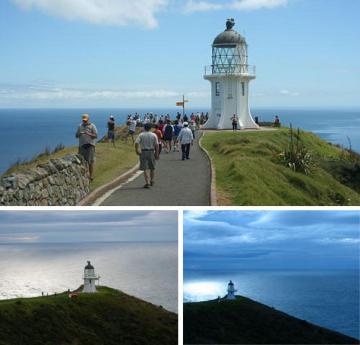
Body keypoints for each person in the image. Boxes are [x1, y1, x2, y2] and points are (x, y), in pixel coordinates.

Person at [135, 123, 159, 188]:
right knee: (152, 167)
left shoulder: (141, 135)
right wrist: (157, 154)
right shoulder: (154, 135)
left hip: (143, 152)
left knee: (145, 168)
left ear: (144, 128)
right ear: (150, 128)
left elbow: (136, 143)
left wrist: (137, 150)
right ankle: (152, 180)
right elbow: (157, 145)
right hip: (151, 151)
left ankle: (147, 183)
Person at [75, 113, 98, 180]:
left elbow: (96, 136)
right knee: (81, 161)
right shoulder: (80, 126)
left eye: (85, 120)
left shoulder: (92, 126)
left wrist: (88, 133)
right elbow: (76, 136)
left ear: (88, 119)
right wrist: (80, 133)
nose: (84, 121)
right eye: (83, 120)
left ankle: (91, 176)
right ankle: (84, 176)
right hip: (82, 146)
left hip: (90, 145)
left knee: (90, 162)